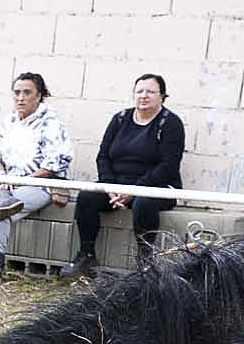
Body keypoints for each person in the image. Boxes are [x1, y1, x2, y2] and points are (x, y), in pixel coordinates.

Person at [73, 73, 187, 278]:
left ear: (162, 96)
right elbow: (103, 156)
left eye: (151, 91)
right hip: (116, 187)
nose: (144, 96)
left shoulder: (171, 124)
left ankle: (145, 264)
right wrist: (109, 187)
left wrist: (133, 192)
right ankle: (86, 256)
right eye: (139, 91)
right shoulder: (120, 119)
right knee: (87, 196)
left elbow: (168, 165)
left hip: (155, 186)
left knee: (144, 203)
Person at [0, 72, 73, 284]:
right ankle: (2, 195)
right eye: (16, 93)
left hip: (38, 184)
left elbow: (54, 164)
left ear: (39, 96)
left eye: (27, 93)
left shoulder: (50, 123)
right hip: (7, 182)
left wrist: (22, 181)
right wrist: (2, 177)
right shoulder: (9, 122)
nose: (20, 98)